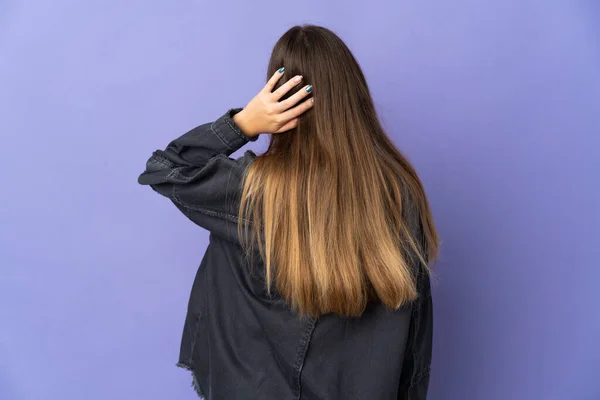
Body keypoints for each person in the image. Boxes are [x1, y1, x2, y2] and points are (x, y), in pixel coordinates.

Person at [138, 24, 438, 400]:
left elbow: (163, 169)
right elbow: (415, 337)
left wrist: (243, 123)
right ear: (353, 95)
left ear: (276, 98)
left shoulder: (253, 190)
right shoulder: (398, 194)